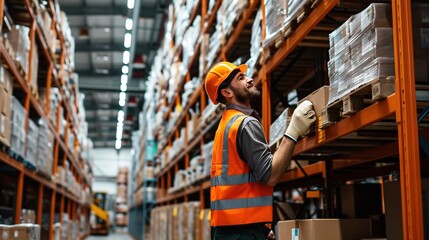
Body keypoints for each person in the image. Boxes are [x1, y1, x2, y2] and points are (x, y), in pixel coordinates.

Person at [204, 62, 316, 240]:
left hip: (229, 230)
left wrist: (260, 229)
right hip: (241, 233)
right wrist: (293, 131)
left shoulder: (225, 125)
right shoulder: (244, 124)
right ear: (227, 93)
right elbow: (270, 176)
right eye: (240, 78)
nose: (249, 79)